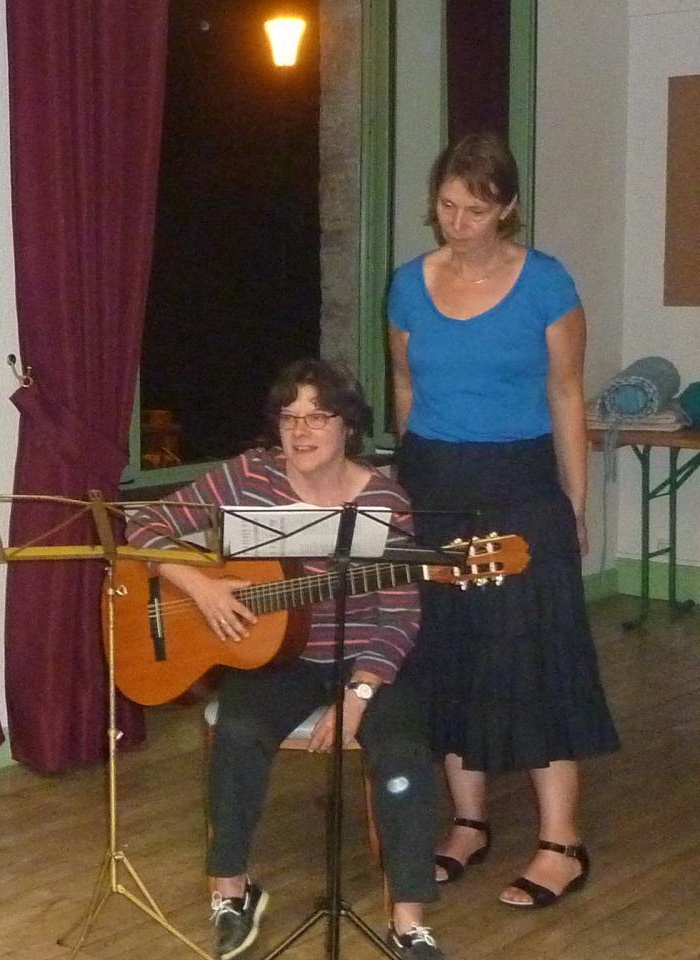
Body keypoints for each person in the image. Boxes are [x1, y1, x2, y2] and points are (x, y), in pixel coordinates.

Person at [126, 359, 444, 960]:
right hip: (279, 660)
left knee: (403, 754)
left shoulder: (384, 499)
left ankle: (409, 922)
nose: (301, 431)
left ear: (348, 425)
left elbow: (400, 614)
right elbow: (143, 524)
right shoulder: (250, 476)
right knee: (238, 733)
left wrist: (360, 694)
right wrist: (199, 585)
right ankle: (232, 892)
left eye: (318, 417)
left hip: (366, 660)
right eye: (289, 417)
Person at [387, 132, 618, 909]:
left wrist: (574, 505)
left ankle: (561, 842)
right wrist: (404, 490)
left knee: (538, 657)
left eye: (475, 210)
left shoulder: (546, 283)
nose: (456, 222)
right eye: (447, 206)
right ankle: (470, 822)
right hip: (435, 484)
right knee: (450, 656)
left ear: (508, 209)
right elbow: (404, 388)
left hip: (522, 484)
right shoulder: (408, 286)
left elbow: (565, 394)